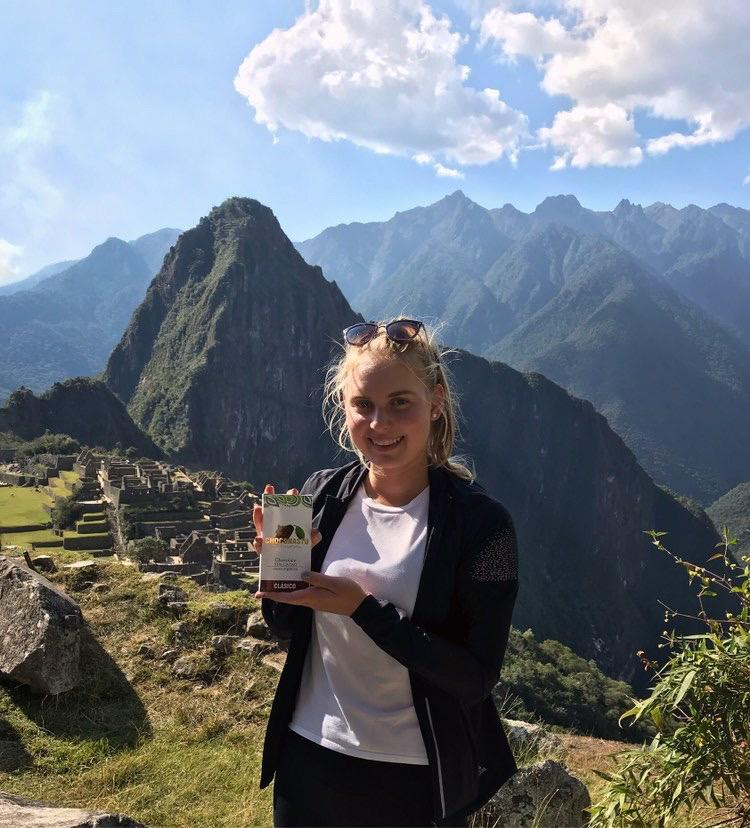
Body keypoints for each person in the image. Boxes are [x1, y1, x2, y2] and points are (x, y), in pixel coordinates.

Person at [254, 318, 519, 827]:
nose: (379, 424)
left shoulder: (482, 526)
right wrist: (281, 570)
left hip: (414, 776)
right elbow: (288, 628)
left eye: (401, 402)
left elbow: (475, 677)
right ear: (344, 408)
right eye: (364, 406)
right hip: (309, 753)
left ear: (435, 401)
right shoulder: (323, 493)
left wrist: (362, 609)